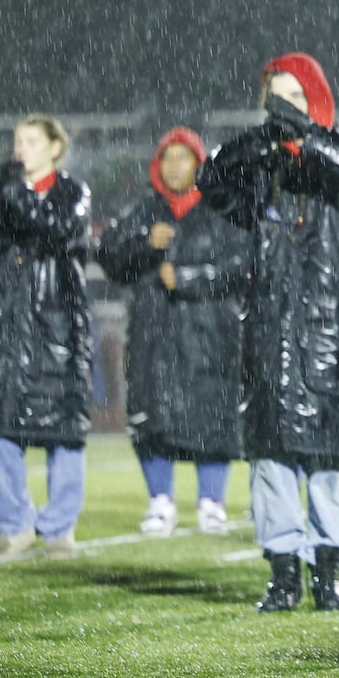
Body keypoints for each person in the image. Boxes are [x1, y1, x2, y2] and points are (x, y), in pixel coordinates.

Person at [198, 53, 339, 611]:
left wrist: (308, 139)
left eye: (293, 94)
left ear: (315, 99)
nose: (281, 105)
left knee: (331, 461)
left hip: (332, 336)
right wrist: (264, 142)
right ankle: (283, 572)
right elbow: (209, 179)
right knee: (271, 458)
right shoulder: (259, 170)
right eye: (273, 97)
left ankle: (328, 572)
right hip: (268, 332)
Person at [97, 127, 250, 536]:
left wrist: (187, 279)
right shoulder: (145, 211)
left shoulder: (222, 210)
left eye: (184, 158)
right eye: (168, 158)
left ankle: (211, 502)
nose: (176, 166)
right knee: (151, 417)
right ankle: (160, 501)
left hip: (210, 335)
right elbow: (108, 255)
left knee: (213, 416)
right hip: (153, 334)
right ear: (157, 166)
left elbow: (244, 267)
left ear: (200, 165)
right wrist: (145, 243)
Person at [0, 115, 93, 560]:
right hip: (5, 332)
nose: (21, 149)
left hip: (57, 331)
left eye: (32, 141)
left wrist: (15, 194)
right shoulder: (3, 196)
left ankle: (59, 529)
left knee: (63, 431)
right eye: (18, 141)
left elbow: (54, 229)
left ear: (55, 147)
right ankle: (13, 527)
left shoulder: (73, 193)